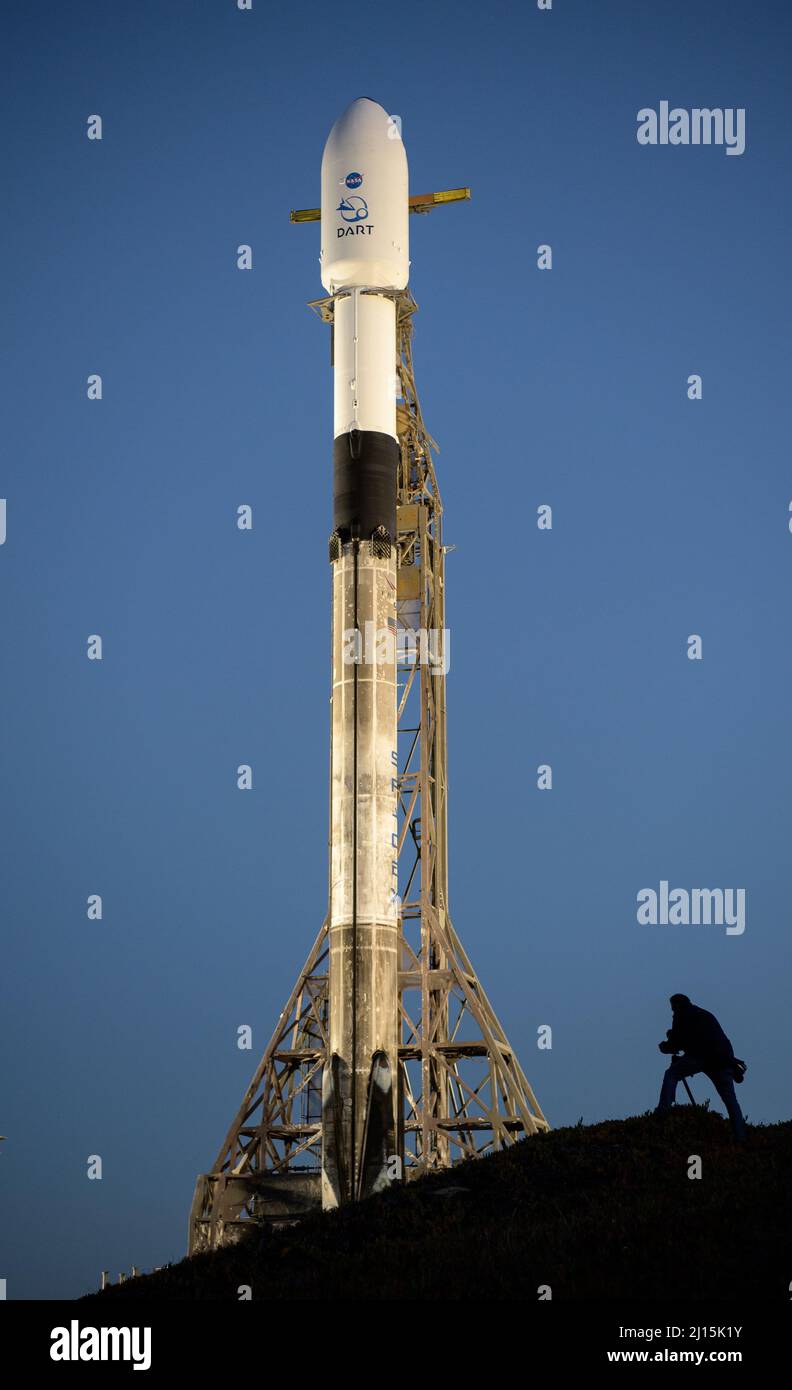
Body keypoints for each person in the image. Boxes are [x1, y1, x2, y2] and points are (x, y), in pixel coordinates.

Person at [655, 993, 746, 1140]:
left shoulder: (681, 1014)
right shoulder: (705, 1014)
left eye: (672, 1008)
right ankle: (741, 1138)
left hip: (700, 1058)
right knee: (731, 1101)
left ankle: (663, 1111)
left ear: (676, 1005)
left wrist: (665, 1046)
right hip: (724, 1061)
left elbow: (677, 1042)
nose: (672, 1011)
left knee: (671, 1075)